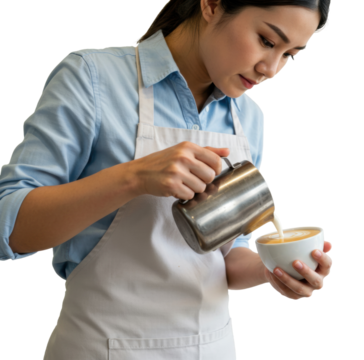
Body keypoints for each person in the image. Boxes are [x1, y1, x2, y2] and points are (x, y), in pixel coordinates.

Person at [0, 0, 334, 358]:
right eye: (267, 40)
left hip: (213, 348)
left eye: (291, 55)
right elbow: (10, 227)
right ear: (211, 4)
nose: (271, 68)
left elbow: (225, 256)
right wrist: (134, 177)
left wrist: (275, 271)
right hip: (102, 347)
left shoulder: (249, 117)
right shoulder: (93, 78)